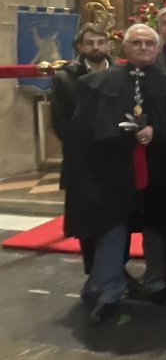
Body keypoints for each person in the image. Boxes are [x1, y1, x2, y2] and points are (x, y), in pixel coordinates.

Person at [62, 24, 166, 323]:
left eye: (149, 43)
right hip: (113, 168)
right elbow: (82, 129)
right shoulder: (100, 82)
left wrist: (157, 131)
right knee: (114, 226)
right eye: (136, 42)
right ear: (124, 47)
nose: (143, 47)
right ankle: (109, 289)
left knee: (155, 226)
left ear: (156, 48)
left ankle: (156, 281)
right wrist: (117, 134)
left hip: (157, 167)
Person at [51, 24, 115, 275]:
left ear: (109, 44)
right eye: (89, 43)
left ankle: (116, 269)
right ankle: (93, 271)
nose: (96, 47)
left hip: (115, 158)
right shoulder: (65, 77)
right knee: (87, 221)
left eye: (100, 42)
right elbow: (60, 122)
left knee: (117, 219)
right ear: (80, 47)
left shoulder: (121, 72)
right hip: (82, 161)